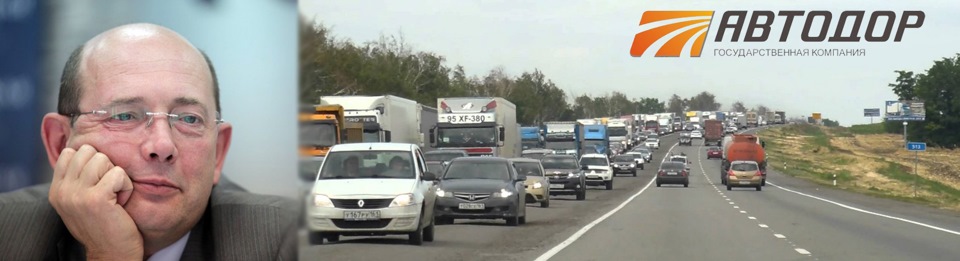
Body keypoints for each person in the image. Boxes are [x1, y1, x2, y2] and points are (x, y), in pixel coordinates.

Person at [0, 24, 298, 260]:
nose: (162, 145)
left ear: (218, 153)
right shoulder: (7, 235)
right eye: (125, 115)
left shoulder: (288, 240)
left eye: (189, 119)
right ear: (60, 143)